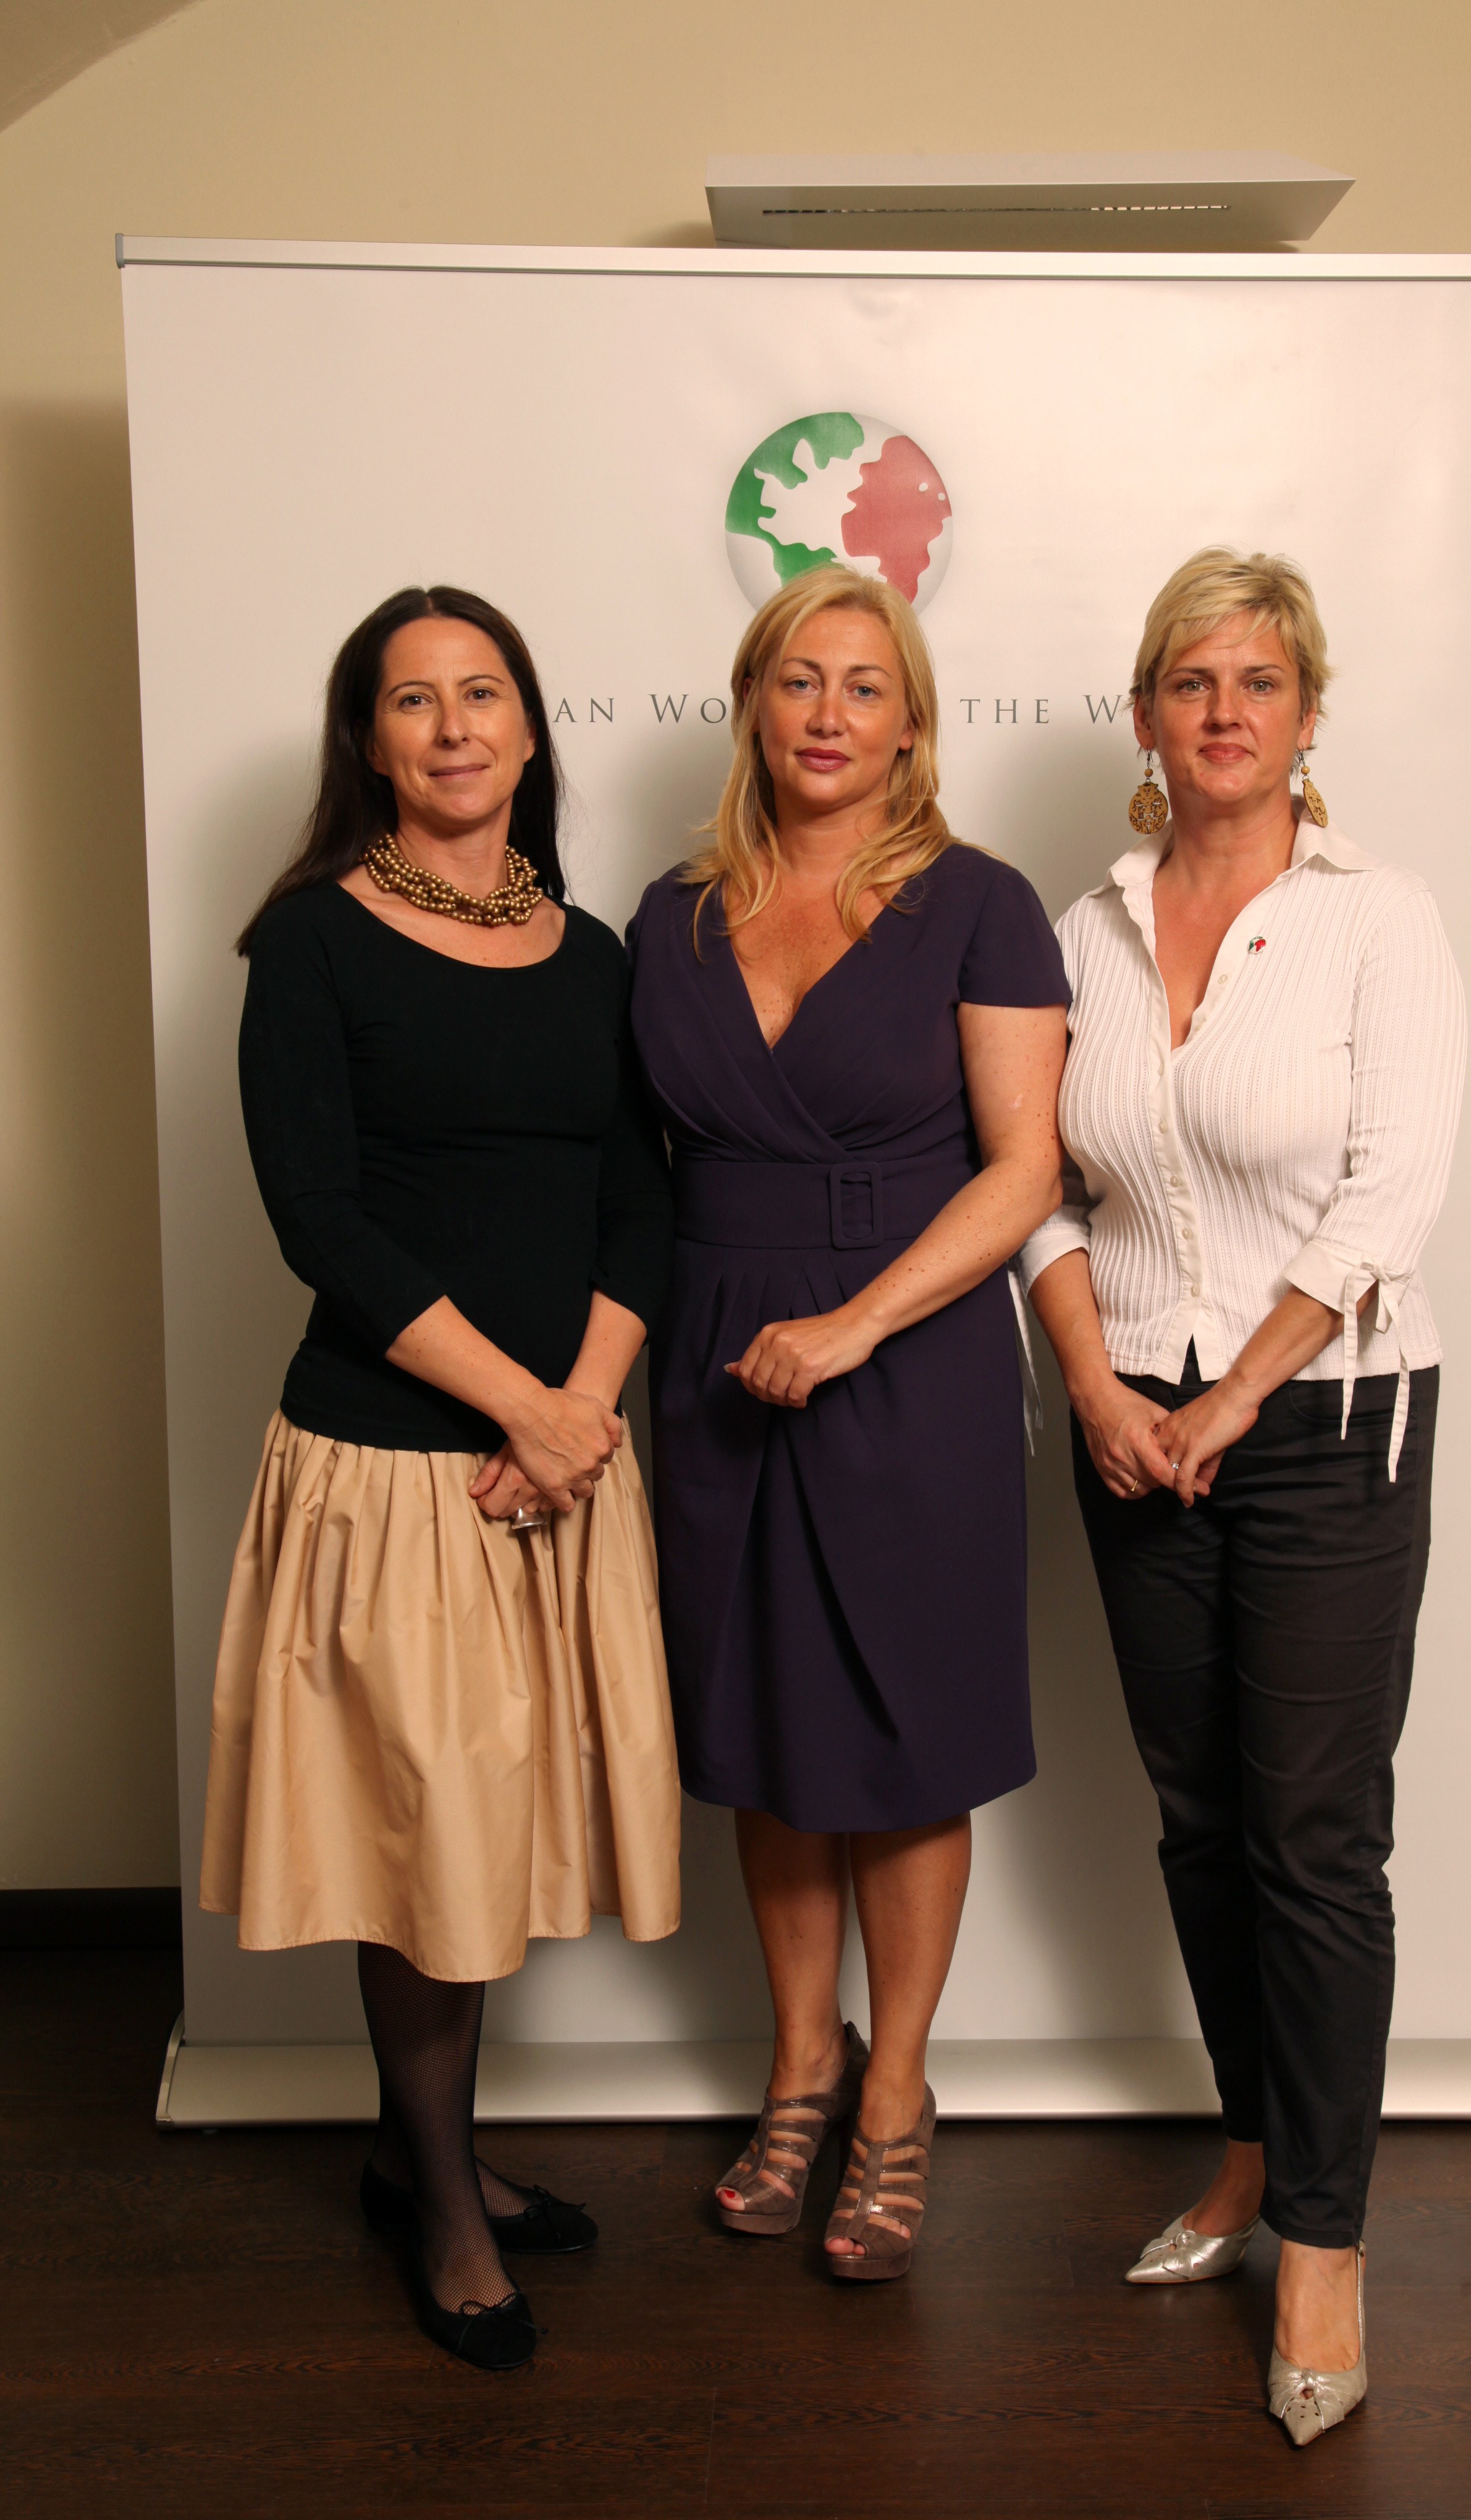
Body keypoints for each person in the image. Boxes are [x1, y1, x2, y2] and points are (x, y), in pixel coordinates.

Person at [201, 586, 680, 2369]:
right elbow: (318, 1219)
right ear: (370, 741)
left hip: (559, 1462)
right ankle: (446, 2211)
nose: (456, 726)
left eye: (485, 694)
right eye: (415, 700)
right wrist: (519, 1411)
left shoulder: (597, 952)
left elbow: (642, 1195)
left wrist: (584, 1406)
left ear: (531, 729)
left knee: (493, 1830)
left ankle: (422, 2156)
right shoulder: (310, 944)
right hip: (397, 1468)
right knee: (426, 1843)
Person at [1024, 549, 1465, 2444]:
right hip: (1132, 1420)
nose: (1224, 711)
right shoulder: (1083, 929)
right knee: (1202, 1821)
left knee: (1313, 1834)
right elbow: (1034, 1180)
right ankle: (1248, 2149)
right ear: (1145, 716)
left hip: (1328, 1422)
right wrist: (1094, 1383)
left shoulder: (1379, 918)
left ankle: (1327, 2241)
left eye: (1259, 681)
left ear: (1305, 714)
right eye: (1191, 680)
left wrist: (1236, 1395)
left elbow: (1391, 1194)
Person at [628, 565, 1068, 2282]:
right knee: (767, 1729)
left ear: (911, 722)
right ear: (754, 705)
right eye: (798, 679)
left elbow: (1023, 1167)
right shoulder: (670, 916)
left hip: (911, 1354)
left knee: (905, 1733)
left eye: (864, 686)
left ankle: (896, 2093)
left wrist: (858, 1323)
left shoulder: (982, 904)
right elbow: (631, 1171)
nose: (828, 713)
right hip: (715, 1359)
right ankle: (800, 2065)